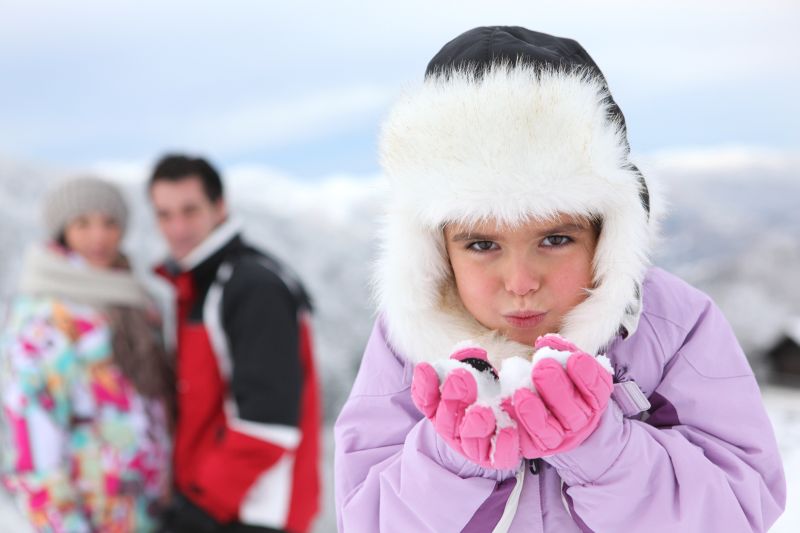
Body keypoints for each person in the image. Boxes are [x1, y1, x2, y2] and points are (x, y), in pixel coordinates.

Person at [334, 26, 786, 532]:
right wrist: (452, 457)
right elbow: (367, 519)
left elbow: (740, 511)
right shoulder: (406, 341)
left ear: (605, 232)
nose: (522, 281)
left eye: (555, 239)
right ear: (436, 249)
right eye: (482, 245)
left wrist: (601, 449)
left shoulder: (675, 326)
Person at [148, 154, 321, 533]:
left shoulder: (250, 286)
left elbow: (268, 423)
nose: (177, 227)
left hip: (252, 513)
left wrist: (199, 507)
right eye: (164, 214)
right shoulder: (197, 286)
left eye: (190, 210)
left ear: (219, 207)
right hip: (219, 505)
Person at [0, 176, 173, 532]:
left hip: (147, 507)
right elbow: (33, 432)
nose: (99, 236)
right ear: (63, 231)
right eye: (83, 224)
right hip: (89, 512)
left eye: (109, 223)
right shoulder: (45, 315)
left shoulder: (138, 303)